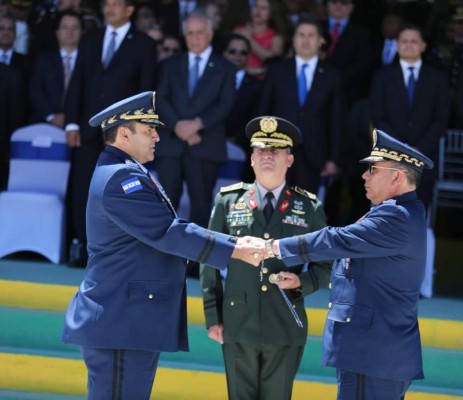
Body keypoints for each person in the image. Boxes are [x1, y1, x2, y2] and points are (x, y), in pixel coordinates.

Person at [61, 91, 265, 399]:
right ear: (124, 134)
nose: (157, 136)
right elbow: (168, 232)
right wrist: (235, 248)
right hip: (121, 322)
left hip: (126, 320)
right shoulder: (121, 178)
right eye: (148, 130)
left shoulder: (126, 172)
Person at [263, 129, 434, 400]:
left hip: (375, 355)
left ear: (397, 176)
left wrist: (274, 247)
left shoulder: (396, 215)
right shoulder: (395, 212)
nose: (364, 176)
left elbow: (336, 239)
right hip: (370, 353)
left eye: (373, 170)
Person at [200, 116, 332, 400]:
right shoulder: (228, 201)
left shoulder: (308, 206)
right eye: (261, 150)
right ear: (251, 159)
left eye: (276, 150)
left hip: (284, 321)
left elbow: (328, 261)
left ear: (290, 160)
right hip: (238, 321)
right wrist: (213, 316)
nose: (267, 156)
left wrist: (302, 282)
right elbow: (209, 260)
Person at [63, 0, 157, 267]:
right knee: (82, 188)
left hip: (123, 134)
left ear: (130, 10)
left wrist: (140, 132)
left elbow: (145, 91)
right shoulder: (90, 39)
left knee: (119, 189)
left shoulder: (144, 44)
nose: (109, 7)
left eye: (116, 4)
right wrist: (71, 123)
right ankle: (83, 246)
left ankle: (115, 250)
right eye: (107, 3)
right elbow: (77, 81)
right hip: (88, 129)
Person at [156, 10, 236, 229]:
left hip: (205, 145)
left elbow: (225, 104)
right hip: (171, 145)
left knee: (200, 208)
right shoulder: (170, 64)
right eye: (190, 33)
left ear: (210, 34)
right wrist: (178, 126)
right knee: (165, 206)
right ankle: (164, 260)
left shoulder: (225, 68)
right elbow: (160, 98)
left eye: (199, 33)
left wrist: (197, 125)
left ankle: (194, 263)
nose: (194, 38)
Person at [258, 19, 343, 194]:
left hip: (313, 156)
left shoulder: (332, 76)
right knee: (273, 211)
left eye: (311, 35)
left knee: (303, 214)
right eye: (301, 35)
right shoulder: (277, 70)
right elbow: (263, 111)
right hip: (276, 153)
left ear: (320, 41)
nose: (305, 40)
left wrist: (333, 159)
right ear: (294, 40)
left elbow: (337, 120)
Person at [369, 25, 449, 210]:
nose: (409, 45)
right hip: (390, 159)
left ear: (423, 46)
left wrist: (418, 149)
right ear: (397, 46)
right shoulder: (382, 77)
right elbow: (377, 116)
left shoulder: (437, 78)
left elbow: (441, 118)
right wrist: (401, 149)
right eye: (404, 41)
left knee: (418, 213)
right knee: (386, 215)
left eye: (414, 41)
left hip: (424, 159)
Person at [29, 10, 82, 127]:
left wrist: (71, 118)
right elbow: (35, 90)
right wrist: (51, 116)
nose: (69, 32)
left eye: (75, 28)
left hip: (79, 125)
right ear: (57, 32)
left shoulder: (89, 61)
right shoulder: (44, 59)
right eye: (65, 27)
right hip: (44, 124)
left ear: (82, 32)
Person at [222, 33, 263, 180]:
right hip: (208, 146)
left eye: (243, 53)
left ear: (248, 57)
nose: (237, 56)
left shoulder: (257, 87)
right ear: (224, 53)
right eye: (232, 51)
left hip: (242, 150)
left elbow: (256, 117)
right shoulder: (208, 82)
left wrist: (235, 138)